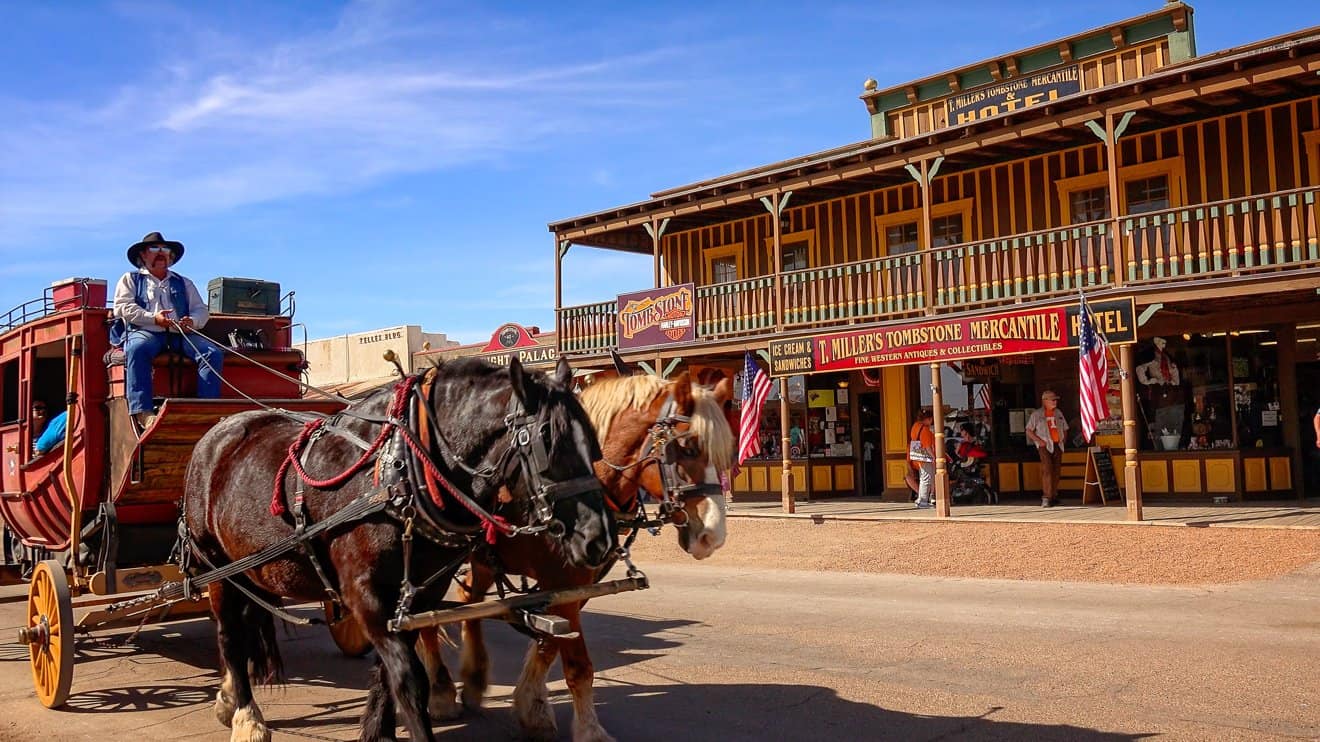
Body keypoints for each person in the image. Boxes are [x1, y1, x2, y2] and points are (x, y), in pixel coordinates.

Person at [111, 232, 224, 431]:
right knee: (136, 349)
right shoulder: (130, 279)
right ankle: (142, 411)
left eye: (165, 249)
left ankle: (207, 410)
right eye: (155, 249)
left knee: (211, 353)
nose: (161, 253)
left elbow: (201, 310)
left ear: (171, 257)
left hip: (180, 333)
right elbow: (123, 308)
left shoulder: (184, 282)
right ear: (143, 255)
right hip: (145, 331)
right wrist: (154, 319)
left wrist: (192, 321)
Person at [1136, 336, 1184, 449]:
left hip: (1170, 391)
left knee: (1173, 423)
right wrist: (1147, 381)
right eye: (1162, 342)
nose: (1164, 345)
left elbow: (1174, 375)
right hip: (1158, 391)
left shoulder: (1166, 356)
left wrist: (1174, 377)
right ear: (1156, 342)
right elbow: (1140, 369)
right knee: (1159, 421)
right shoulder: (1149, 355)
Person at [1026, 390, 1068, 507]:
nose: (1055, 402)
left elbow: (1065, 426)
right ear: (1045, 401)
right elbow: (1029, 430)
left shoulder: (1058, 412)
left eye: (1056, 400)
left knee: (1057, 471)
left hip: (1057, 444)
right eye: (1052, 400)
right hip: (1045, 445)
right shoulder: (1037, 414)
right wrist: (1039, 441)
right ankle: (1046, 497)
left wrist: (1064, 438)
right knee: (1047, 470)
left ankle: (1054, 495)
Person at [907, 408, 937, 509]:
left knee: (923, 477)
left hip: (916, 456)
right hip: (924, 457)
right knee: (926, 478)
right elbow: (927, 446)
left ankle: (921, 499)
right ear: (928, 419)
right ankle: (922, 501)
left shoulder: (915, 426)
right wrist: (934, 457)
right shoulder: (924, 429)